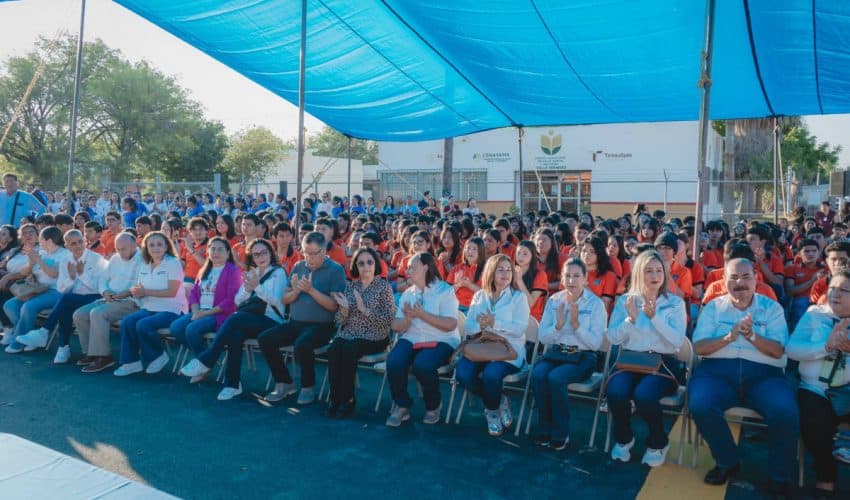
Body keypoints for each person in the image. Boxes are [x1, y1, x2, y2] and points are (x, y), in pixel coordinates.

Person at [689, 258, 798, 496]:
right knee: (700, 403)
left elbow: (779, 350)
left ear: (756, 279)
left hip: (764, 374)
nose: (740, 283)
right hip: (717, 371)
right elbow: (699, 347)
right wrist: (729, 337)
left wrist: (752, 337)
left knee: (786, 410)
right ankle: (727, 461)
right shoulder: (713, 308)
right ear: (723, 280)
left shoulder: (772, 308)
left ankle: (780, 475)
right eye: (734, 277)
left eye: (746, 277)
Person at [606, 250, 687, 467]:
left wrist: (655, 317)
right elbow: (613, 337)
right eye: (649, 270)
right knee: (615, 391)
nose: (655, 275)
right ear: (639, 273)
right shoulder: (626, 301)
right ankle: (624, 438)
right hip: (631, 361)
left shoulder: (674, 303)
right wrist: (630, 320)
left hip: (662, 363)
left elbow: (676, 341)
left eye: (659, 270)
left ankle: (658, 442)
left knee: (644, 395)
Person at [179, 239, 287, 399]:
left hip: (272, 320)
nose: (260, 257)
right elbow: (237, 300)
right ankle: (233, 384)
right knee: (235, 335)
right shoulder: (253, 273)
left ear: (270, 253)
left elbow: (276, 301)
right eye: (256, 254)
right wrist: (248, 290)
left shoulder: (278, 273)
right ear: (252, 257)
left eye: (264, 253)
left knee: (237, 318)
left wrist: (257, 287)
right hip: (251, 319)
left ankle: (207, 360)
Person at [259, 231, 346, 405]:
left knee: (302, 344)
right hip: (295, 323)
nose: (309, 258)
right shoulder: (299, 266)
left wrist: (311, 290)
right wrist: (297, 290)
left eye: (313, 253)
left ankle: (308, 386)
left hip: (322, 326)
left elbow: (334, 306)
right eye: (306, 252)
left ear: (323, 251)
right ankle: (284, 382)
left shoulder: (335, 270)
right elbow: (285, 299)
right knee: (265, 339)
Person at [531, 258, 606, 450]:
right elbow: (544, 337)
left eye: (576, 276)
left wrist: (576, 325)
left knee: (556, 378)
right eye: (567, 276)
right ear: (562, 278)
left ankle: (560, 432)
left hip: (584, 356)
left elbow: (595, 344)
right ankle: (544, 426)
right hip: (558, 353)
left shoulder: (595, 304)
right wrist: (558, 326)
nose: (571, 280)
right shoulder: (554, 301)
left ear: (585, 278)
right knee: (538, 374)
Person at [787, 268, 850, 497]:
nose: (836, 294)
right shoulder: (814, 315)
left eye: (844, 290)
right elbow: (791, 350)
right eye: (832, 288)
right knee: (815, 424)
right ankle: (826, 481)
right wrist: (826, 347)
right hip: (815, 388)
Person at [456, 254, 530, 436]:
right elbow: (469, 326)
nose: (506, 274)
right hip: (482, 347)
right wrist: (481, 326)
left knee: (491, 375)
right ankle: (499, 399)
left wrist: (495, 323)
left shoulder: (518, 297)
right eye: (500, 270)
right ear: (490, 272)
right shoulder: (480, 296)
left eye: (508, 270)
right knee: (463, 373)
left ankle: (492, 411)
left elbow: (520, 329)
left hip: (508, 350)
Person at [385, 251, 459, 426]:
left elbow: (450, 324)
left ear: (425, 267)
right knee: (394, 360)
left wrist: (422, 314)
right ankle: (402, 405)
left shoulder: (445, 290)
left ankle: (433, 406)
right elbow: (395, 325)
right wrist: (408, 319)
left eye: (412, 267)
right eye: (407, 267)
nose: (407, 271)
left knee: (423, 365)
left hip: (441, 339)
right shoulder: (408, 293)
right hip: (413, 337)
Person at [16, 230, 106, 363]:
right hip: (72, 298)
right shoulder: (66, 260)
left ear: (85, 241)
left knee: (65, 300)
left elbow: (99, 287)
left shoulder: (96, 259)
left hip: (95, 297)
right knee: (66, 303)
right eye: (73, 243)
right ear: (67, 245)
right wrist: (71, 277)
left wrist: (80, 274)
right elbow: (61, 288)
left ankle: (50, 336)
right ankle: (62, 347)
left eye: (80, 242)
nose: (78, 246)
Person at [326, 247, 395, 417]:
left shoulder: (383, 286)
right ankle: (335, 398)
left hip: (376, 336)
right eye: (361, 263)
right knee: (334, 348)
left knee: (349, 349)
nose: (366, 266)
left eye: (369, 262)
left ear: (375, 264)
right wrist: (344, 310)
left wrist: (365, 310)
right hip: (350, 333)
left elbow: (389, 319)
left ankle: (347, 399)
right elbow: (339, 321)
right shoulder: (351, 287)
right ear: (356, 266)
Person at [114, 231, 188, 376]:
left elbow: (171, 292)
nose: (155, 248)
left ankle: (158, 356)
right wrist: (134, 292)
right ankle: (131, 363)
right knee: (128, 322)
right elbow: (141, 288)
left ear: (166, 246)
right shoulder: (145, 264)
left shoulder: (173, 263)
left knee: (143, 325)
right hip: (149, 307)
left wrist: (145, 292)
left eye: (159, 244)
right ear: (146, 248)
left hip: (172, 309)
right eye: (151, 245)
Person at [72, 232, 142, 373]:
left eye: (124, 249)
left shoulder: (144, 259)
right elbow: (103, 279)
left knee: (98, 314)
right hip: (109, 298)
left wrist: (126, 292)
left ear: (135, 245)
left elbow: (140, 284)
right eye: (118, 249)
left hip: (131, 301)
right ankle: (91, 353)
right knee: (79, 315)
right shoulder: (115, 258)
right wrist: (105, 291)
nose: (120, 252)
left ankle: (104, 357)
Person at [169, 237, 241, 362]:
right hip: (200, 311)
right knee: (176, 327)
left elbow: (230, 300)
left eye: (220, 249)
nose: (216, 252)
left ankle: (203, 362)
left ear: (228, 253)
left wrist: (205, 313)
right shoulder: (204, 270)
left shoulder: (233, 271)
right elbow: (194, 294)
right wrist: (196, 311)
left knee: (192, 329)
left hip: (220, 315)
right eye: (213, 249)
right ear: (208, 251)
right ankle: (205, 357)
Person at [4, 226, 70, 354]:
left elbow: (53, 274)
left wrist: (38, 260)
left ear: (49, 241)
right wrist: (31, 262)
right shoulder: (42, 252)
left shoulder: (64, 254)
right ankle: (30, 337)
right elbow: (24, 272)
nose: (39, 242)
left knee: (28, 306)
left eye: (41, 239)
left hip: (56, 292)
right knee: (10, 305)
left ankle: (18, 343)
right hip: (38, 289)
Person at [447, 237, 485, 313]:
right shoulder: (457, 268)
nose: (470, 251)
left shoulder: (485, 270)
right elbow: (447, 292)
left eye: (474, 249)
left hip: (475, 307)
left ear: (480, 251)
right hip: (455, 306)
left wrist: (469, 285)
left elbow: (487, 294)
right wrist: (458, 284)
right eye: (468, 248)